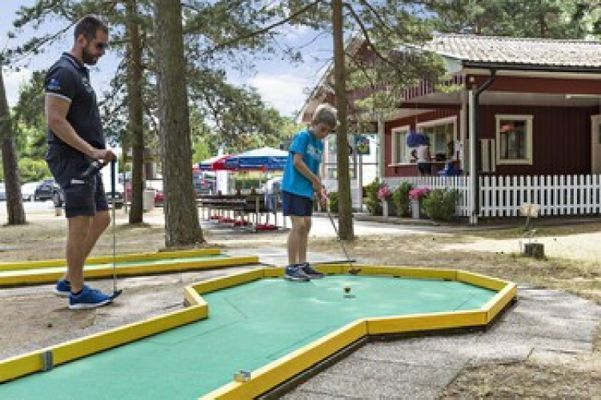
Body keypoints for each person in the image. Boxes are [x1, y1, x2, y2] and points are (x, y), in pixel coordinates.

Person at [45, 15, 116, 309]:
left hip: (86, 160)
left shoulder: (80, 73)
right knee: (80, 223)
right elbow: (55, 120)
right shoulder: (63, 71)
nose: (102, 52)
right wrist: (93, 150)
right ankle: (77, 292)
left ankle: (68, 278)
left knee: (101, 218)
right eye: (99, 46)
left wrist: (97, 151)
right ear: (82, 40)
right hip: (71, 159)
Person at [281, 104, 337, 281]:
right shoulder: (303, 137)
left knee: (307, 225)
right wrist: (314, 179)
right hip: (292, 187)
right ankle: (291, 267)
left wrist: (320, 191)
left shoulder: (319, 145)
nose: (324, 134)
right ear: (314, 122)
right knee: (298, 225)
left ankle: (302, 264)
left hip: (306, 191)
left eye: (328, 131)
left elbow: (315, 168)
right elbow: (297, 162)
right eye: (322, 129)